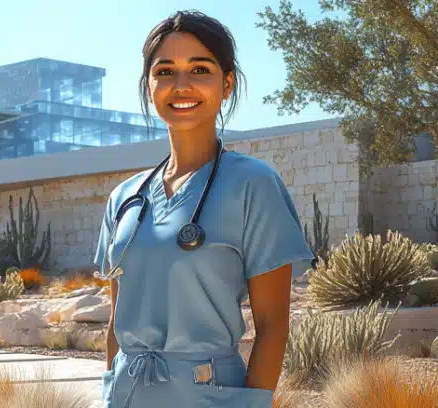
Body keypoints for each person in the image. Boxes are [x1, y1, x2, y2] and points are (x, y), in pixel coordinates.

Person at [94, 10, 314, 408]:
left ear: (226, 83)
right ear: (148, 86)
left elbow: (272, 326)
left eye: (199, 69)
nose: (181, 86)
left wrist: (250, 405)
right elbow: (116, 322)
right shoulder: (124, 199)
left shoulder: (253, 185)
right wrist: (110, 388)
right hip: (126, 397)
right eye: (165, 71)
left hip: (209, 396)